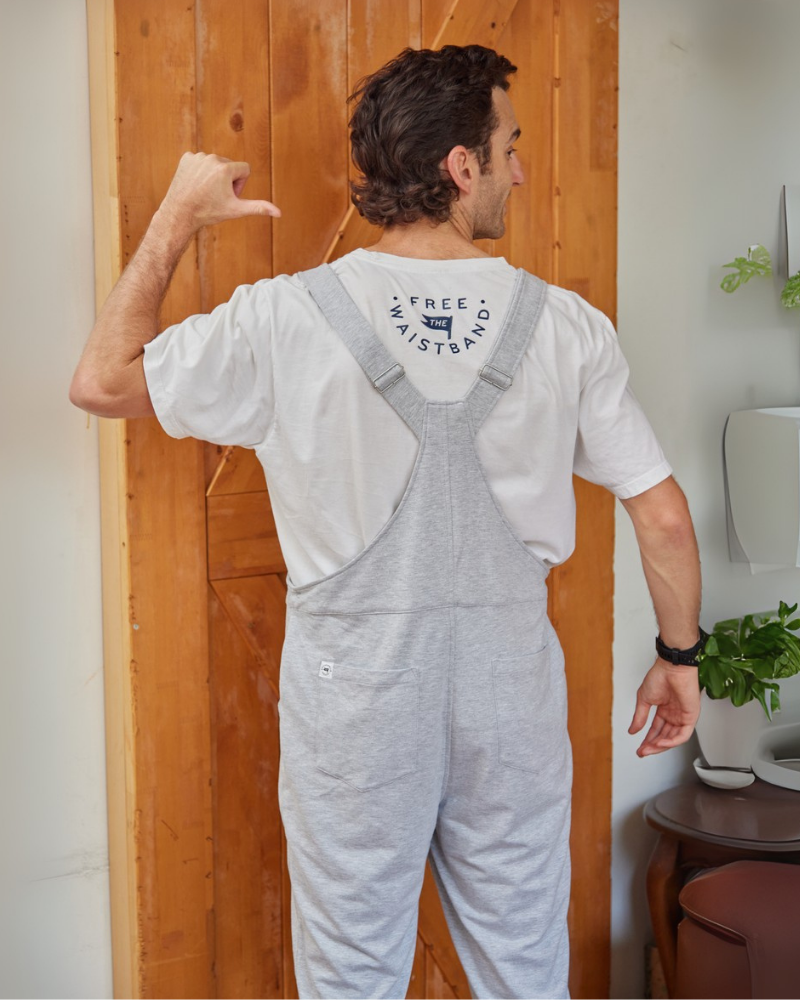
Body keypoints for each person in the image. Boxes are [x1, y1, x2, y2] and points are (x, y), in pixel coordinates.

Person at [70, 43, 702, 1000]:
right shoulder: (567, 327)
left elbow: (102, 381)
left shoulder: (285, 318)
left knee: (353, 977)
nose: (520, 169)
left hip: (356, 702)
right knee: (524, 969)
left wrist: (177, 217)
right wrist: (679, 655)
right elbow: (659, 515)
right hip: (508, 694)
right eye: (510, 146)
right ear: (462, 167)